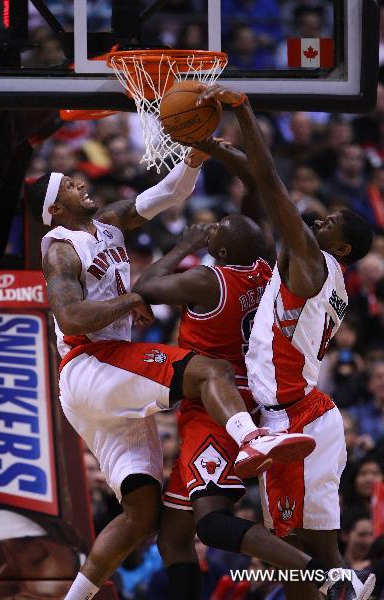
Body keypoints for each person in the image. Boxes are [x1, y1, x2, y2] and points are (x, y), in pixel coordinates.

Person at [27, 154, 313, 600]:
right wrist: (132, 299)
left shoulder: (109, 223)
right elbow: (70, 316)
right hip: (90, 361)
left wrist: (193, 157)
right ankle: (251, 438)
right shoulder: (61, 247)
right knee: (207, 370)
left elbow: (170, 193)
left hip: (107, 383)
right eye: (67, 185)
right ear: (55, 209)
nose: (79, 183)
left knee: (144, 515)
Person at [134, 141, 374, 600]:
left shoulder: (220, 278)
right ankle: (336, 578)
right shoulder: (272, 273)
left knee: (222, 527)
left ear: (219, 249)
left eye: (217, 230)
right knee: (178, 534)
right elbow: (261, 198)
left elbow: (269, 190)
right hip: (272, 406)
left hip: (246, 409)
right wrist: (223, 156)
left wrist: (184, 242)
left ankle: (329, 579)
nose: (317, 219)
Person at [195, 84, 375, 600]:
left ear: (339, 245)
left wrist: (244, 112)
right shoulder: (330, 273)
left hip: (292, 421)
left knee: (294, 555)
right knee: (322, 556)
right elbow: (260, 179)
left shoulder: (311, 263)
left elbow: (269, 179)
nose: (317, 218)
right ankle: (345, 587)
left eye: (329, 222)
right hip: (315, 412)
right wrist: (204, 144)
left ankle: (340, 587)